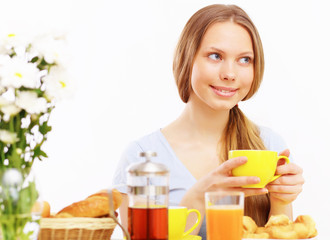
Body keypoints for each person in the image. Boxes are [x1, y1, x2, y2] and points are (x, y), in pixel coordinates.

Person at [113, 4, 304, 239]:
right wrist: (194, 202)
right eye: (215, 56)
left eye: (244, 60)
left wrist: (281, 200)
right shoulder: (142, 158)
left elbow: (279, 233)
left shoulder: (269, 145)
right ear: (187, 58)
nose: (230, 73)